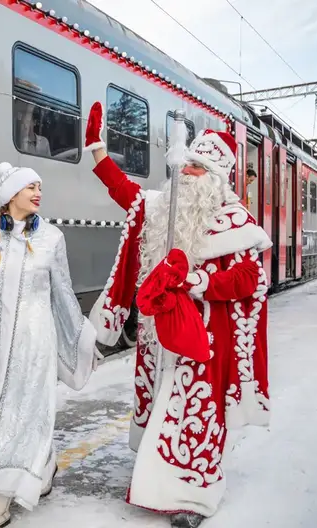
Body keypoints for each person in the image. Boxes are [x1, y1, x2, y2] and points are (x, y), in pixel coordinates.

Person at [83, 101, 272, 528]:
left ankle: (194, 494)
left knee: (197, 413)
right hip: (158, 336)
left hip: (203, 338)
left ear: (216, 180)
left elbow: (250, 280)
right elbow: (124, 193)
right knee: (163, 407)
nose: (186, 174)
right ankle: (158, 481)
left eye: (197, 170)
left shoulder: (234, 223)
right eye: (186, 166)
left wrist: (201, 284)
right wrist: (97, 150)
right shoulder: (160, 208)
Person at [0, 161, 100, 528]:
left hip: (35, 342)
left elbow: (63, 293)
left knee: (20, 413)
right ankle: (44, 465)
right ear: (10, 195)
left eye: (39, 187)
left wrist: (83, 335)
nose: (38, 192)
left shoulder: (52, 238)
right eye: (30, 187)